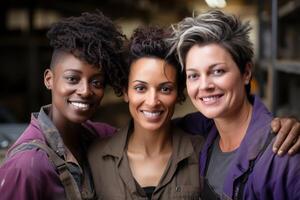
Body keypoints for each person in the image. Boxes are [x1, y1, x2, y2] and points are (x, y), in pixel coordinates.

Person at [169, 9, 300, 199]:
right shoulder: (203, 130)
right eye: (194, 75)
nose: (204, 86)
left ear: (246, 73)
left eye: (218, 71)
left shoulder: (282, 154)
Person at [0, 11, 125, 200]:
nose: (85, 91)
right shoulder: (27, 165)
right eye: (72, 79)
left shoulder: (98, 137)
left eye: (97, 82)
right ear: (49, 79)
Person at [88, 26, 204, 199]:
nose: (152, 101)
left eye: (165, 89)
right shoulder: (95, 157)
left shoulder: (202, 153)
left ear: (178, 93)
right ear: (126, 92)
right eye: (140, 88)